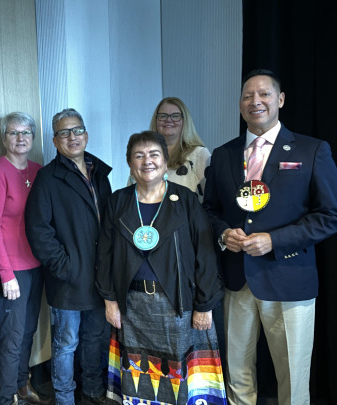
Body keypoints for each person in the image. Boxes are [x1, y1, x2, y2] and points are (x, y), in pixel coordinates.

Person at [203, 69, 337, 405]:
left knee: (293, 378)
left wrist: (274, 240)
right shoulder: (223, 155)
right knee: (238, 374)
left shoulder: (311, 150)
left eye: (263, 94)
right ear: (239, 105)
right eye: (247, 96)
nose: (255, 101)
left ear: (279, 100)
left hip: (290, 280)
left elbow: (328, 217)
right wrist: (223, 235)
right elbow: (209, 211)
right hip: (237, 282)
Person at [96, 131, 226, 404]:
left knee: (180, 378)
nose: (147, 161)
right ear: (130, 163)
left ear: (165, 162)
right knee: (140, 379)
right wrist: (110, 300)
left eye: (154, 154)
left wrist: (204, 305)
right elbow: (104, 255)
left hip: (178, 304)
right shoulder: (118, 202)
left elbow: (205, 254)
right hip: (132, 306)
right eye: (139, 155)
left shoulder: (186, 200)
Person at [25, 108, 112, 405]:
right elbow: (39, 231)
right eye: (64, 132)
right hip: (68, 279)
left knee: (94, 337)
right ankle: (64, 398)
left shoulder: (100, 172)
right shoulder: (47, 178)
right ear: (55, 140)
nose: (72, 137)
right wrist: (66, 267)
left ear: (86, 135)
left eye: (77, 130)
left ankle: (92, 389)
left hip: (100, 276)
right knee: (65, 344)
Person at [0, 112, 51, 405]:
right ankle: (6, 395)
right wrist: (5, 273)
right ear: (3, 138)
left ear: (33, 137)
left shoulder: (39, 170)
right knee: (11, 336)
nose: (21, 138)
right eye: (13, 133)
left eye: (26, 132)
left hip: (37, 264)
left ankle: (23, 386)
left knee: (28, 331)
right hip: (12, 268)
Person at [128, 97, 210, 201]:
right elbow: (129, 197)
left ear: (185, 121)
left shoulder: (199, 155)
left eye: (175, 116)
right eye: (163, 116)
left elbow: (212, 200)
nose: (168, 120)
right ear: (156, 120)